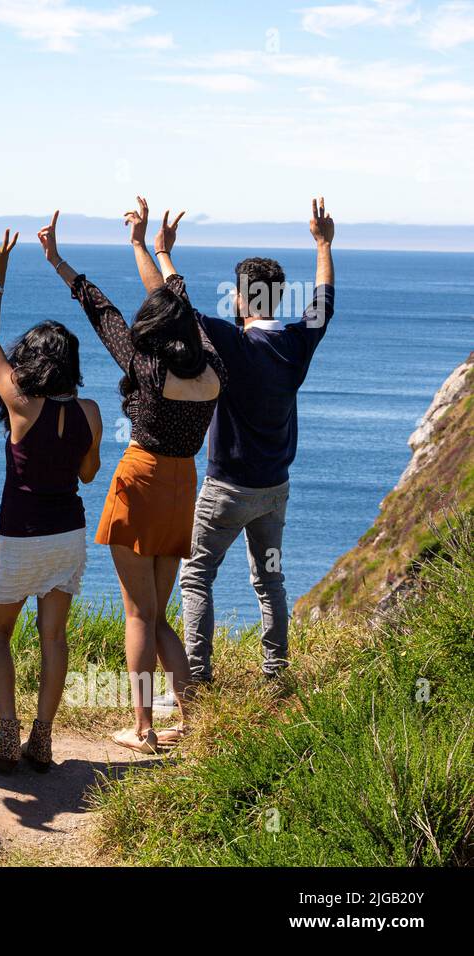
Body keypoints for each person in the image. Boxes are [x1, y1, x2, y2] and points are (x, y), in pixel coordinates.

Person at [40, 209, 227, 754]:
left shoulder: (147, 369)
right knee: (157, 612)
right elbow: (180, 307)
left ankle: (143, 728)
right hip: (184, 486)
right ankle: (192, 720)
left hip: (141, 478)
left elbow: (105, 316)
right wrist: (154, 249)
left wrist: (59, 264)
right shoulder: (213, 367)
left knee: (138, 613)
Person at [128, 198, 336, 687]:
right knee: (270, 581)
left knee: (197, 576)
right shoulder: (296, 344)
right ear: (279, 298)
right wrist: (323, 244)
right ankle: (275, 677)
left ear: (241, 300)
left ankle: (197, 681)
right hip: (274, 491)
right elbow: (325, 300)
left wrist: (159, 251)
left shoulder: (233, 343)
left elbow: (169, 307)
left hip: (226, 491)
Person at [0, 229, 102, 772]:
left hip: (20, 536)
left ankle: (6, 736)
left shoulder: (22, 403)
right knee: (54, 638)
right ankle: (42, 739)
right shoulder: (89, 411)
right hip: (68, 535)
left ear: (34, 360)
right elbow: (88, 475)